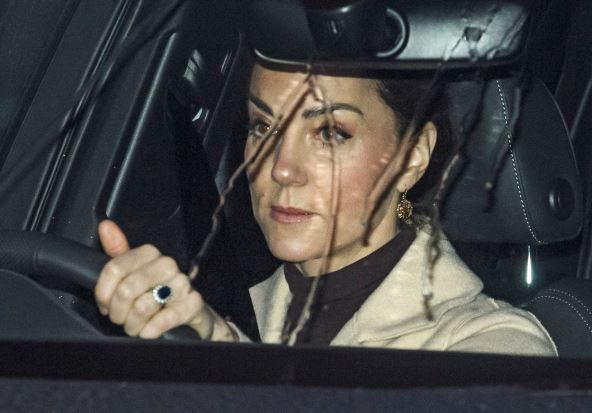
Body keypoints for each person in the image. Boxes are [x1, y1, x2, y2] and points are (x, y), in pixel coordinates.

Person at [94, 62, 557, 355]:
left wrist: (223, 348)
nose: (281, 169)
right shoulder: (231, 309)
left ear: (412, 157)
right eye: (263, 128)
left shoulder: (495, 347)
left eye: (331, 133)